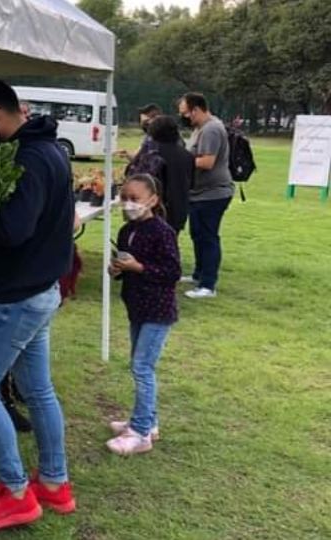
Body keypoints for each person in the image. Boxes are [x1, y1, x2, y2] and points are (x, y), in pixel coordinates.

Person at [0, 78, 76, 531]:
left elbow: (11, 230)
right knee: (39, 390)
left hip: (18, 295)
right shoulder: (51, 151)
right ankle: (54, 483)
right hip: (42, 288)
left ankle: (16, 492)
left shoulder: (28, 158)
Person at [107, 174, 181, 455]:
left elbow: (172, 272)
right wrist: (117, 270)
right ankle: (149, 422)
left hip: (157, 310)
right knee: (139, 364)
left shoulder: (162, 232)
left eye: (135, 198)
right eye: (124, 197)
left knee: (142, 368)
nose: (128, 203)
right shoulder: (127, 231)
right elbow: (126, 266)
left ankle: (139, 432)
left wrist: (138, 268)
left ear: (153, 200)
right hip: (136, 307)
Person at [178, 92, 233, 299]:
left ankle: (208, 285)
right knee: (198, 235)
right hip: (199, 193)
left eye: (186, 114)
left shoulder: (211, 129)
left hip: (213, 194)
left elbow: (207, 162)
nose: (184, 118)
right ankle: (198, 274)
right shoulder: (200, 128)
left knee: (208, 238)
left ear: (196, 109)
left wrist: (181, 161)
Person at [148, 115, 195, 235]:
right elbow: (192, 183)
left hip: (156, 209)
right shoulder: (188, 156)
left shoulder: (153, 155)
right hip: (179, 208)